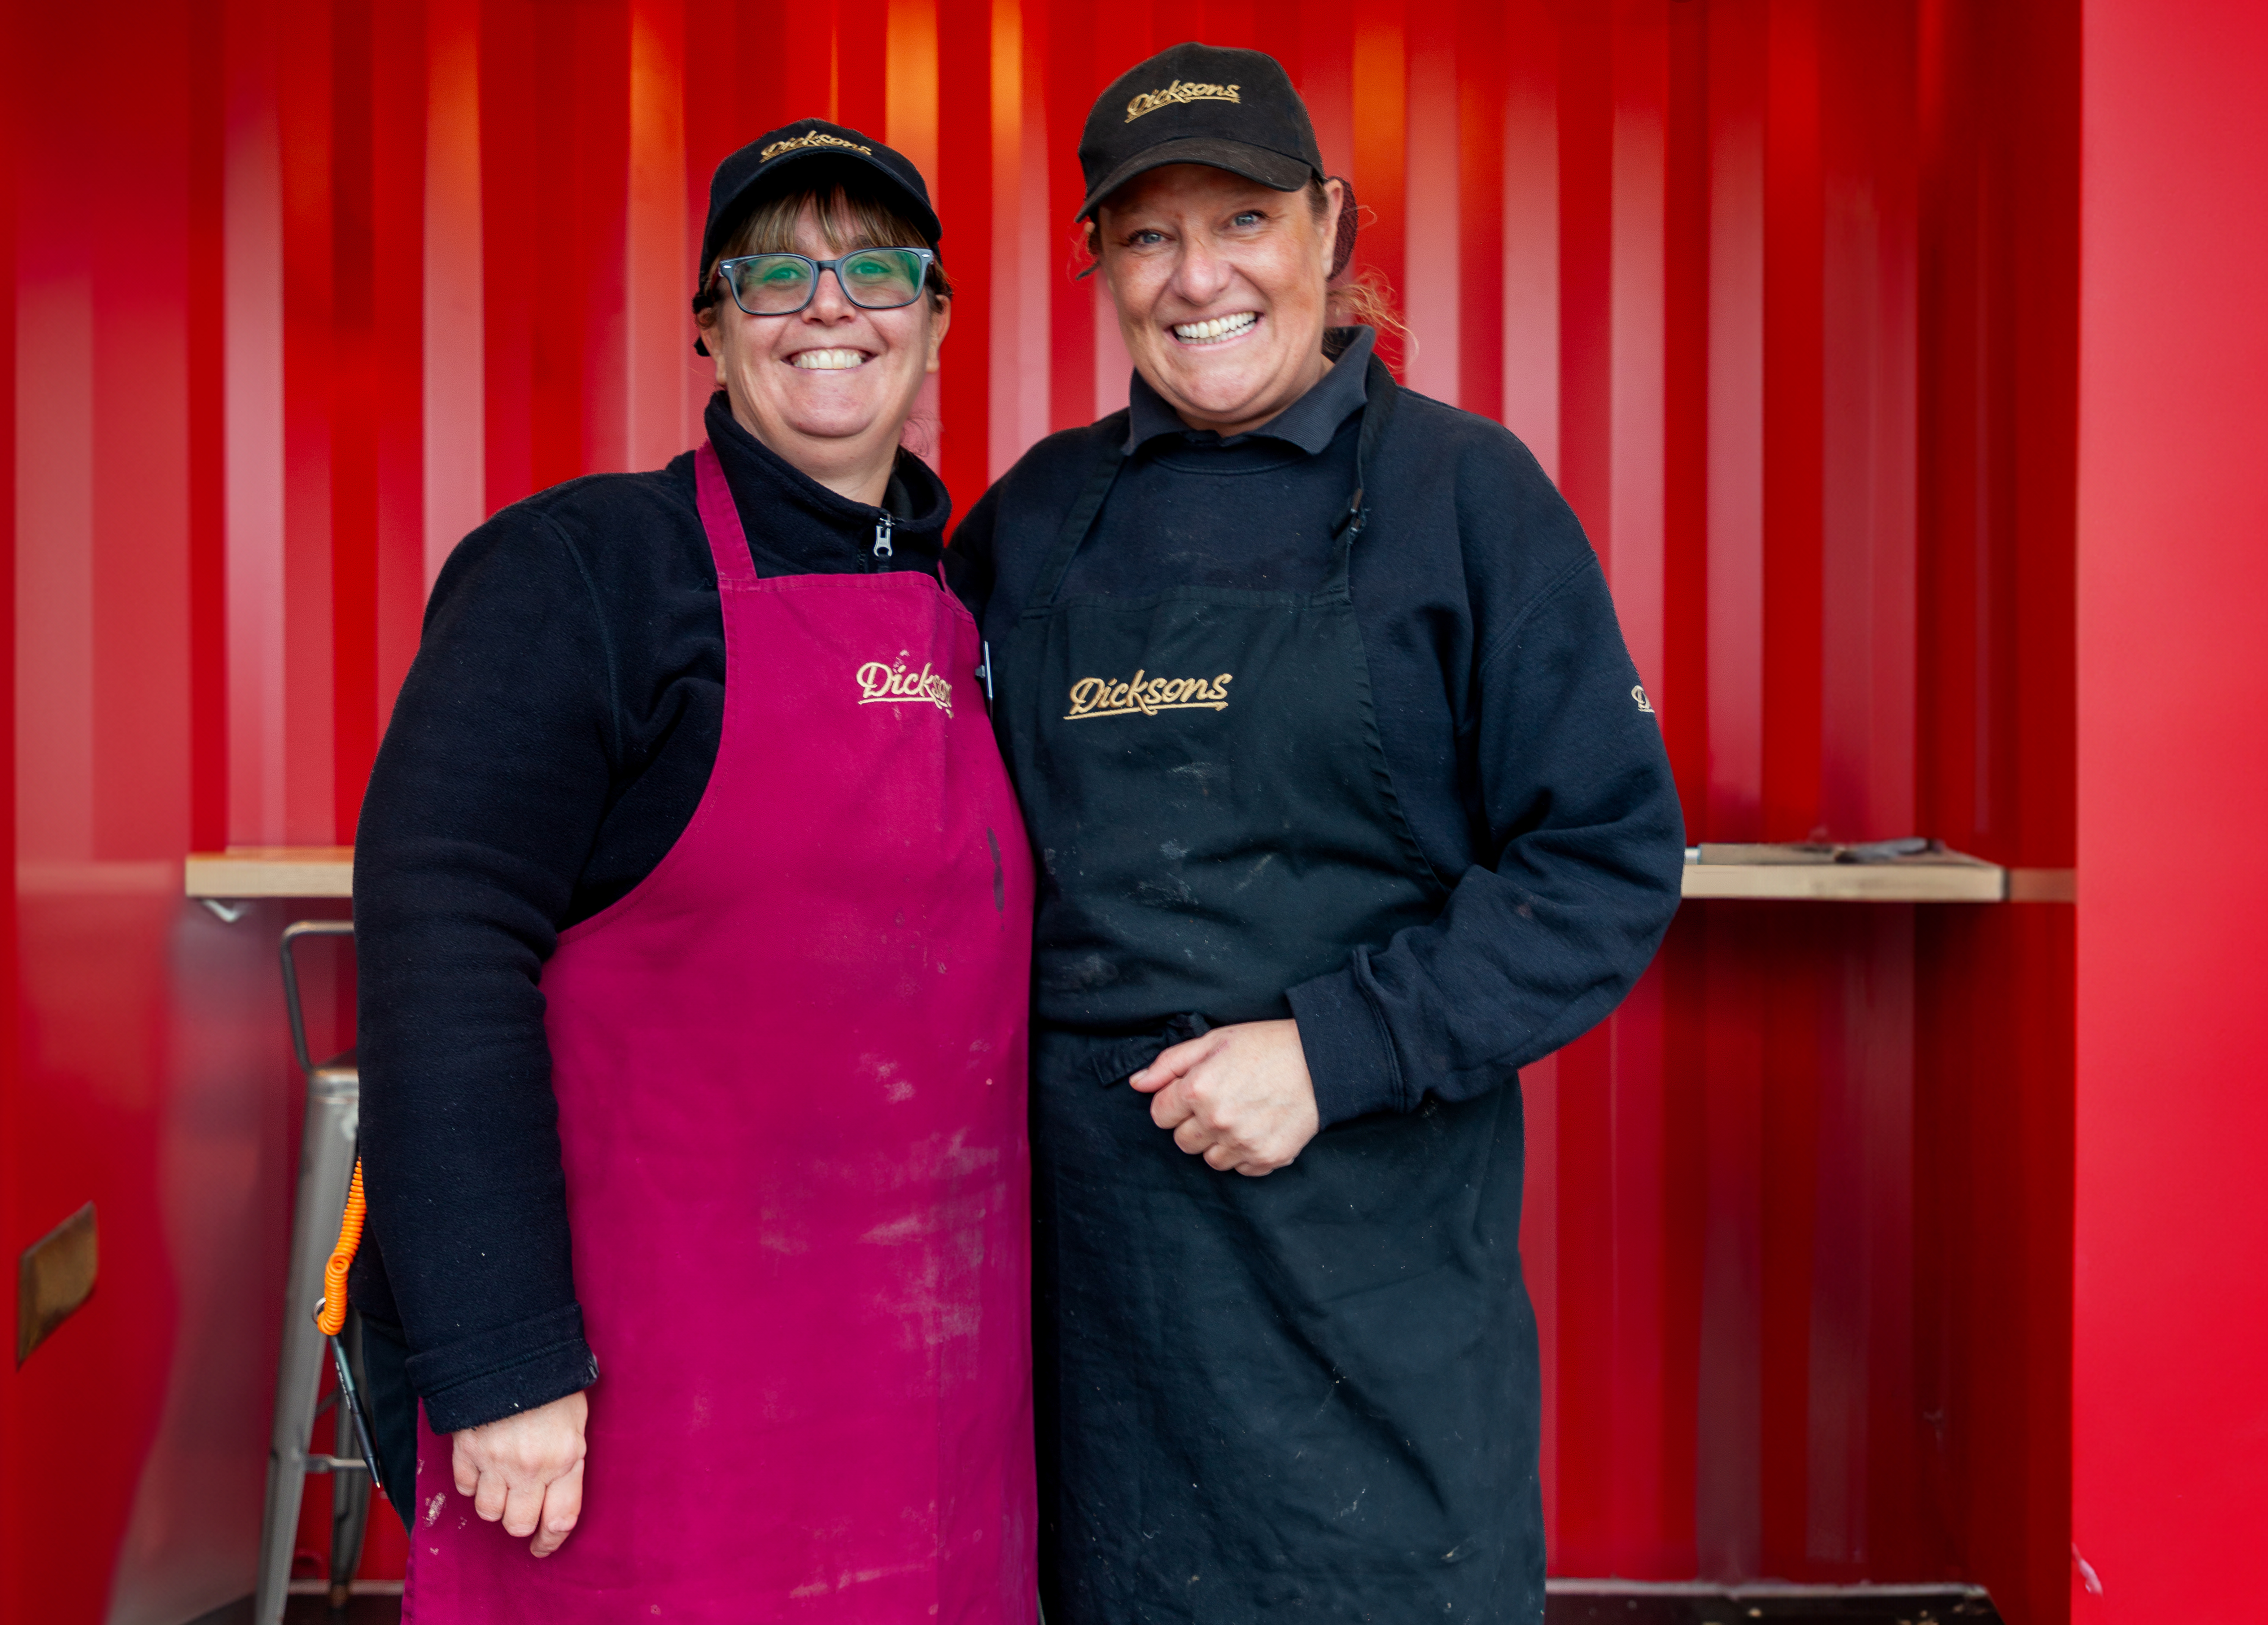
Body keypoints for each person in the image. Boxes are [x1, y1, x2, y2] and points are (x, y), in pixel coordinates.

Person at [953, 44, 1687, 1624]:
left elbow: (1604, 862)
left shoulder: (1463, 498)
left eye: (1241, 220)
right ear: (1097, 263)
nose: (1197, 276)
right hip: (1090, 1284)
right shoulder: (1032, 518)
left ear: (1328, 225)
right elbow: (912, 825)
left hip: (1365, 1267)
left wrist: (1329, 1052)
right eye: (1147, 235)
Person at [350, 118, 1036, 1622]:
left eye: (876, 269)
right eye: (775, 274)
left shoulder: (978, 601)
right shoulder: (583, 570)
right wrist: (500, 1352)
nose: (830, 307)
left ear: (931, 318)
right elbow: (437, 941)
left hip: (935, 1378)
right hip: (645, 1381)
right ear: (710, 332)